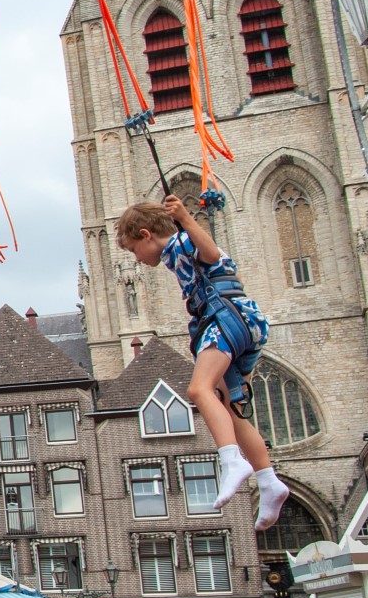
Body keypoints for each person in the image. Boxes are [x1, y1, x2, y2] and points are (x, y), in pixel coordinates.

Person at [115, 197, 289, 530]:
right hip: (240, 323)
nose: (136, 258)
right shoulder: (177, 250)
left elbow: (211, 254)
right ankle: (269, 482)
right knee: (230, 409)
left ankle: (231, 461)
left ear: (146, 234)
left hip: (226, 321)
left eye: (134, 249)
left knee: (199, 390)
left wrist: (186, 219)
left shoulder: (181, 242)